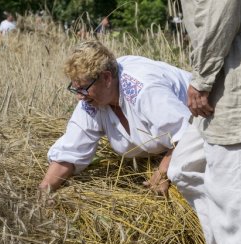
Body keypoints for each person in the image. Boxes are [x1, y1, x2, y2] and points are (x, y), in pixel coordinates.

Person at [167, 1, 241, 244]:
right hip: (231, 58)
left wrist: (202, 78)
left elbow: (223, 4)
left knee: (235, 190)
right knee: (185, 167)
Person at [38, 40, 193, 197]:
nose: (79, 97)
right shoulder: (92, 101)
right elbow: (71, 150)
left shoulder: (142, 90)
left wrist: (162, 173)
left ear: (106, 78)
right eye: (75, 89)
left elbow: (189, 133)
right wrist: (44, 190)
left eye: (83, 89)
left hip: (206, 127)